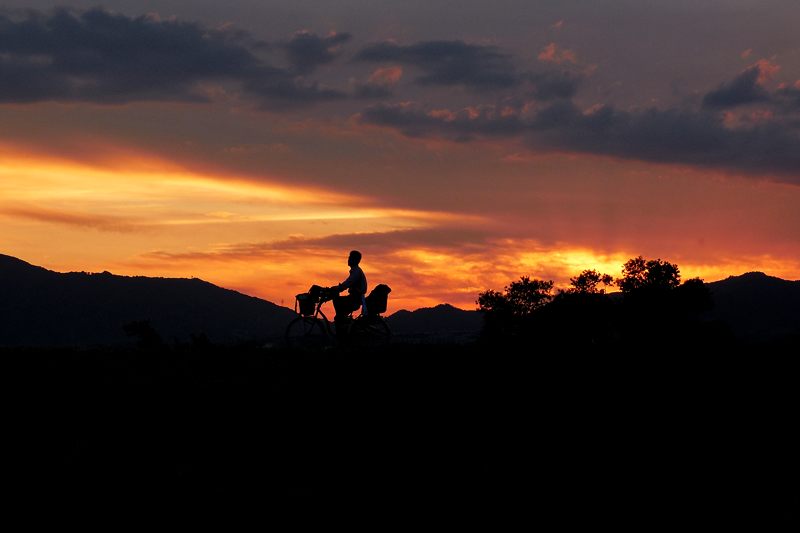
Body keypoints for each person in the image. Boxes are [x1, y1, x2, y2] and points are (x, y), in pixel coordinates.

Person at [331, 250, 367, 328]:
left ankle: (343, 333)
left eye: (350, 258)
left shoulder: (356, 271)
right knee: (340, 314)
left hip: (355, 299)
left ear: (355, 260)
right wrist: (339, 288)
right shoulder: (355, 270)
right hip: (355, 298)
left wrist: (338, 288)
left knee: (338, 305)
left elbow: (348, 283)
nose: (348, 260)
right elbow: (347, 283)